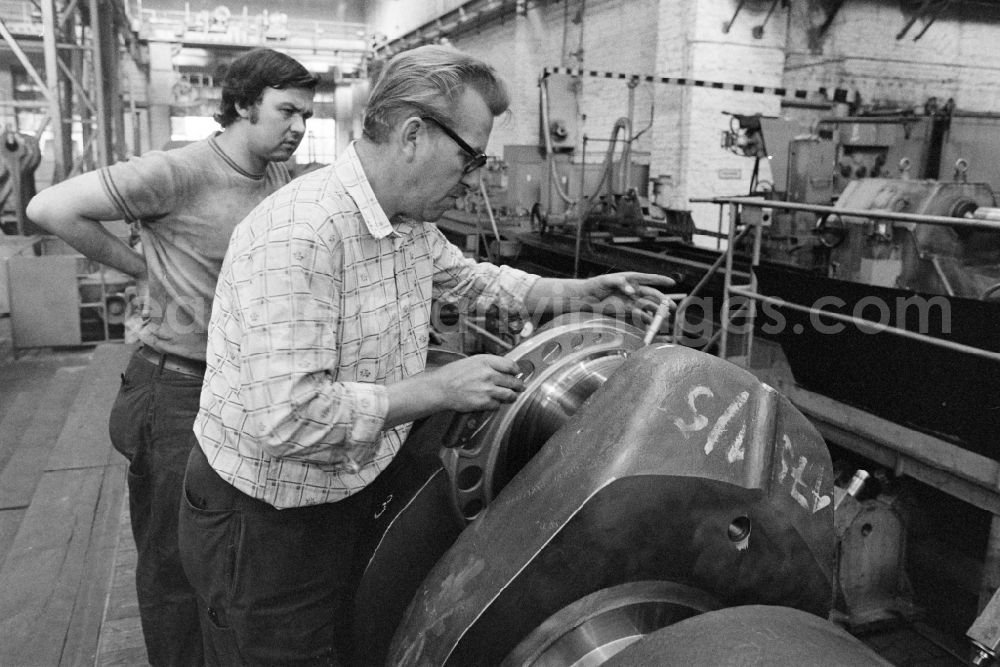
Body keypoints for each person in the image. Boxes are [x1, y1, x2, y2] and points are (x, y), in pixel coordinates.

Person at [177, 44, 673, 665]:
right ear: (413, 135)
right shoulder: (301, 235)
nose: (477, 178)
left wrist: (573, 293)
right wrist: (437, 389)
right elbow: (289, 419)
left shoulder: (404, 224)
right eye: (470, 158)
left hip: (346, 490)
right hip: (267, 521)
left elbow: (472, 281)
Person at [26, 48, 318, 666]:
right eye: (286, 111)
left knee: (223, 551)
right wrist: (143, 269)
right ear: (242, 105)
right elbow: (50, 208)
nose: (298, 126)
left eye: (306, 116)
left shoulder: (276, 176)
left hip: (239, 388)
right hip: (176, 389)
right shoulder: (179, 171)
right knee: (173, 564)